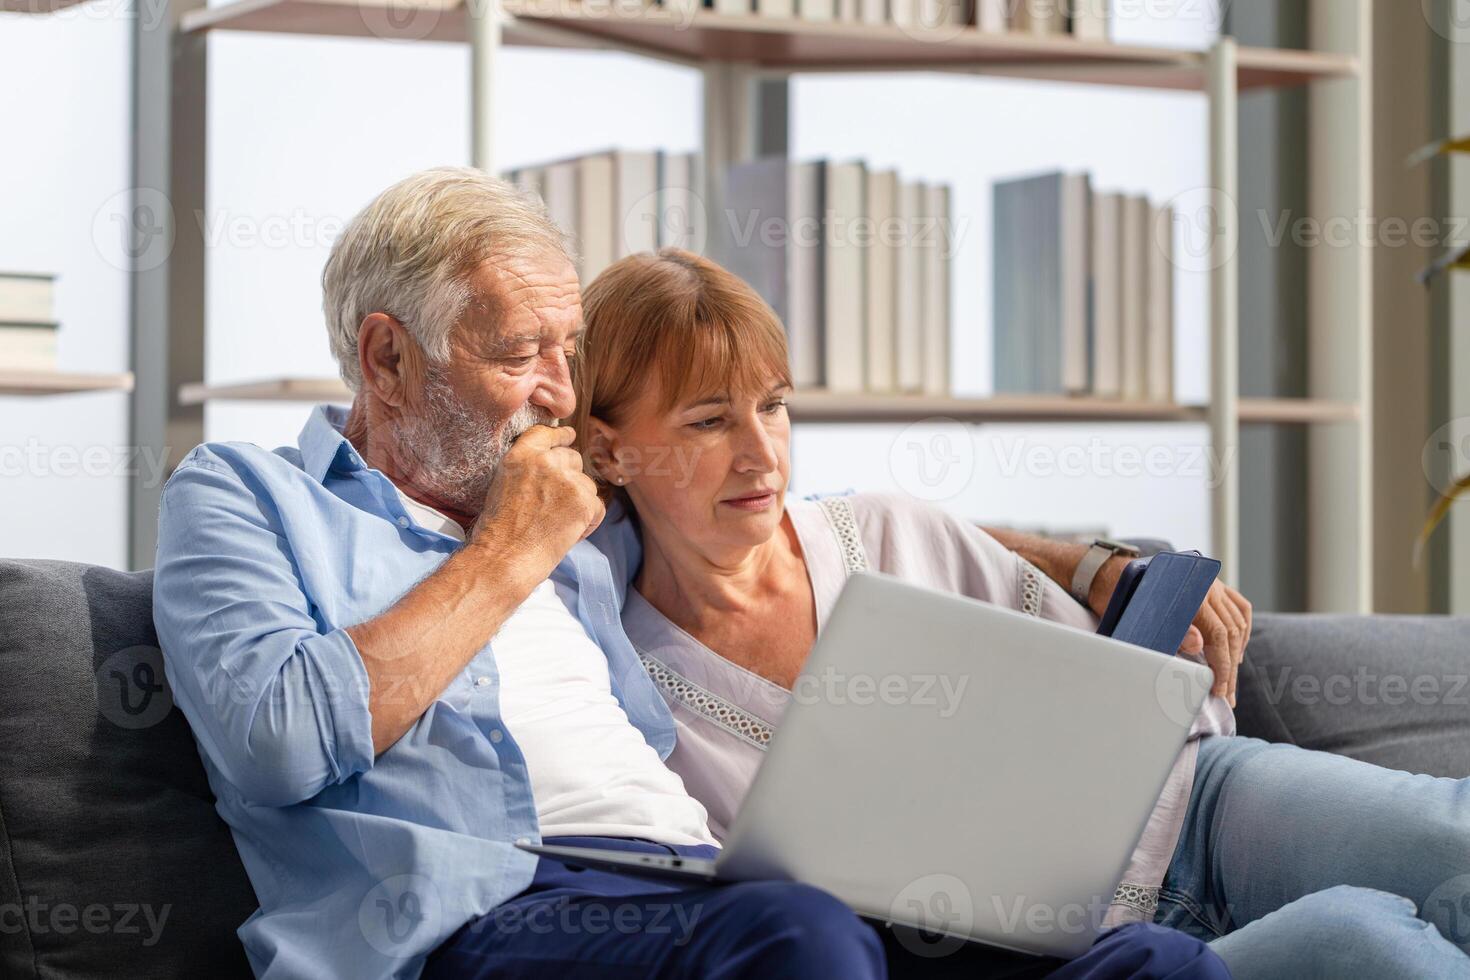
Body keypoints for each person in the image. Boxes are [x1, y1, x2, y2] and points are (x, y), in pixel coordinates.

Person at [150, 168, 1226, 980]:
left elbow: (755, 489)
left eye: (570, 352)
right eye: (522, 353)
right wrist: (507, 549)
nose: (560, 395)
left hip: (698, 881)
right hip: (475, 910)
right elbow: (275, 737)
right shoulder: (247, 496)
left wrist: (1078, 559)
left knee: (1154, 963)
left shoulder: (581, 528)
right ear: (387, 358)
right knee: (797, 932)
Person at [573, 246, 1470, 980]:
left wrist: (1116, 588)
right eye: (707, 422)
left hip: (1196, 808)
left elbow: (1139, 689)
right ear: (611, 449)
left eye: (773, 407)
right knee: (1367, 940)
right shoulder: (621, 691)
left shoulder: (888, 532)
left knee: (1448, 842)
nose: (760, 454)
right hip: (1078, 959)